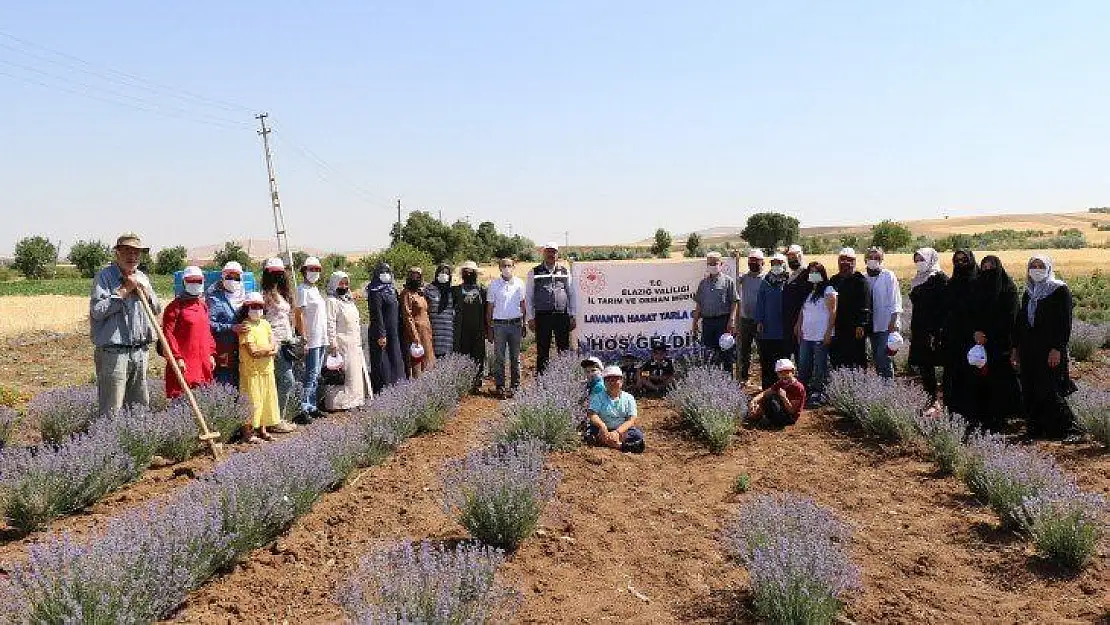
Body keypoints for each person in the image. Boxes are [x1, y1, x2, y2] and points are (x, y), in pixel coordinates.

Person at [90, 232, 163, 415]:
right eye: (127, 251)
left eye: (136, 253)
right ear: (118, 254)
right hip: (114, 353)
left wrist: (145, 292)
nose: (132, 257)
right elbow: (97, 311)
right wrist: (124, 291)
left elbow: (156, 308)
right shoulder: (105, 277)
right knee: (111, 408)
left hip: (140, 351)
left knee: (139, 407)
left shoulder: (143, 277)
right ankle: (109, 442)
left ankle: (134, 442)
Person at [1013, 255, 1080, 442]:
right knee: (1030, 388)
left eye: (1040, 265)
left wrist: (1057, 348)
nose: (1036, 269)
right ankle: (1036, 429)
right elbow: (1021, 322)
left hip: (1050, 349)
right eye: (1033, 266)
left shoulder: (1059, 290)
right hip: (1029, 350)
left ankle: (1068, 430)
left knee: (1050, 389)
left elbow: (1064, 323)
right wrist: (1015, 348)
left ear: (1049, 267)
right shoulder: (1029, 291)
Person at [968, 255, 1022, 431]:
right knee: (982, 380)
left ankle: (1002, 420)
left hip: (1002, 344)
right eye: (984, 267)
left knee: (1001, 382)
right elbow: (972, 314)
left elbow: (1011, 319)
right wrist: (976, 332)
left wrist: (994, 337)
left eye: (991, 267)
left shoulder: (1008, 289)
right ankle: (983, 418)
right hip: (981, 343)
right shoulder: (977, 288)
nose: (987, 270)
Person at [161, 265, 215, 400]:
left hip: (202, 360)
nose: (195, 284)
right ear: (184, 283)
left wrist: (211, 353)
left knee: (202, 396)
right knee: (182, 398)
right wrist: (176, 357)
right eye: (191, 281)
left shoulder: (202, 305)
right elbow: (168, 334)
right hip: (184, 362)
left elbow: (207, 332)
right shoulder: (174, 307)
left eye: (198, 281)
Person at [526, 242, 577, 375]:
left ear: (557, 254)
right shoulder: (534, 272)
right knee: (542, 350)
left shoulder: (565, 271)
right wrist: (530, 318)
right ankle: (542, 380)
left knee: (563, 349)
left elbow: (571, 293)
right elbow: (529, 296)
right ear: (544, 253)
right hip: (543, 316)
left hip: (562, 315)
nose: (551, 254)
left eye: (553, 252)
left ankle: (565, 378)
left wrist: (573, 315)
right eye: (548, 251)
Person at [237, 291, 280, 443]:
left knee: (266, 399)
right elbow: (253, 351)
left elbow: (274, 344)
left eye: (259, 306)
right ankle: (248, 434)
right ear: (246, 309)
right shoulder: (246, 326)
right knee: (252, 401)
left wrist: (269, 350)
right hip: (252, 371)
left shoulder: (265, 324)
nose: (256, 309)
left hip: (267, 369)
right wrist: (269, 350)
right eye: (253, 307)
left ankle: (263, 430)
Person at [907, 248, 948, 405]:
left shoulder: (940, 278)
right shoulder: (917, 279)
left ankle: (946, 400)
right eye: (916, 260)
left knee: (942, 364)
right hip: (919, 328)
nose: (919, 263)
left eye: (922, 259)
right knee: (925, 365)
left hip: (935, 331)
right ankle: (931, 399)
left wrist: (938, 330)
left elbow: (945, 307)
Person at [260, 258, 297, 432]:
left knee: (280, 381)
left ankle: (275, 418)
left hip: (286, 342)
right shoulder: (264, 295)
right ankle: (276, 420)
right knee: (287, 380)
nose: (277, 276)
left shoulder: (283, 293)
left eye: (279, 272)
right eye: (273, 273)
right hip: (274, 344)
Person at [942, 249, 979, 419]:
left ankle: (972, 414)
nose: (961, 263)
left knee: (971, 376)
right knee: (952, 375)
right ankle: (953, 413)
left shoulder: (978, 282)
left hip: (972, 338)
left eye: (964, 260)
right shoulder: (952, 283)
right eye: (957, 261)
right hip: (953, 338)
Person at [324, 271, 369, 411]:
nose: (343, 286)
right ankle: (341, 403)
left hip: (354, 342)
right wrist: (333, 343)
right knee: (344, 374)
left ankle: (355, 401)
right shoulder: (331, 301)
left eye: (346, 283)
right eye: (340, 283)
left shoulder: (348, 300)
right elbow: (330, 323)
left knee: (354, 374)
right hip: (341, 342)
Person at [795, 262, 837, 407]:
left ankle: (819, 393)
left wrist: (828, 333)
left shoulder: (828, 290)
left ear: (822, 274)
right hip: (807, 334)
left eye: (816, 272)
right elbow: (802, 311)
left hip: (820, 335)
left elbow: (833, 313)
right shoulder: (808, 291)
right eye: (811, 272)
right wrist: (798, 325)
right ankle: (802, 391)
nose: (813, 275)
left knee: (820, 365)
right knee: (803, 364)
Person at [692, 252, 739, 372]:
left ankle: (729, 383)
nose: (713, 266)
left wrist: (732, 320)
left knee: (726, 354)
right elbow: (699, 305)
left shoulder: (728, 281)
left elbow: (734, 301)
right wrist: (695, 323)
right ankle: (712, 382)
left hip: (723, 322)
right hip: (707, 323)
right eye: (710, 264)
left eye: (715, 263)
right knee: (709, 355)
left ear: (721, 264)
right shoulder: (703, 283)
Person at [487, 258, 528, 398]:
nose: (506, 268)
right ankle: (500, 386)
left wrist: (524, 324)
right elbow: (490, 308)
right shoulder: (493, 285)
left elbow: (523, 305)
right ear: (499, 268)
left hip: (516, 324)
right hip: (499, 325)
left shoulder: (520, 283)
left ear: (513, 267)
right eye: (504, 266)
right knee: (499, 357)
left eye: (509, 265)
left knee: (515, 358)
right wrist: (490, 328)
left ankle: (515, 387)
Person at [295, 256, 328, 421]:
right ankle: (304, 407)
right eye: (311, 269)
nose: (314, 272)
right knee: (310, 373)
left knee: (316, 373)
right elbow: (299, 314)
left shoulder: (315, 290)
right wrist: (304, 337)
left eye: (317, 270)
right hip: (311, 338)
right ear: (304, 271)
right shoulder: (302, 290)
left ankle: (313, 405)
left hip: (321, 337)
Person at [585, 365, 645, 453]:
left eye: (615, 380)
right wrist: (602, 426)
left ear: (621, 381)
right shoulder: (598, 397)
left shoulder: (629, 398)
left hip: (621, 430)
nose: (611, 383)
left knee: (637, 435)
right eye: (608, 380)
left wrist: (617, 432)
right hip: (603, 429)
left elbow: (631, 420)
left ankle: (606, 442)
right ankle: (619, 445)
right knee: (590, 433)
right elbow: (592, 414)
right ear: (604, 382)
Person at [863, 247, 903, 378]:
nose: (873, 260)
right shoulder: (864, 277)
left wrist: (894, 322)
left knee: (884, 357)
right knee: (876, 357)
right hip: (871, 325)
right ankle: (882, 385)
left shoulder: (888, 276)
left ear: (882, 260)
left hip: (886, 324)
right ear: (865, 259)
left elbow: (895, 300)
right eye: (871, 257)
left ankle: (888, 386)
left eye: (877, 258)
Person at [828, 248, 871, 369]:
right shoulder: (834, 280)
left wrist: (861, 324)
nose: (845, 262)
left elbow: (865, 305)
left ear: (854, 262)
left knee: (856, 358)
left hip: (855, 327)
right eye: (842, 259)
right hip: (837, 326)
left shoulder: (861, 281)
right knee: (837, 358)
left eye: (849, 260)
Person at [366, 262, 405, 393]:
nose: (385, 275)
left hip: (393, 331)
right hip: (381, 333)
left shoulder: (391, 290)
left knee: (395, 358)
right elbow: (376, 315)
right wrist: (381, 334)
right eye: (382, 272)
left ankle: (397, 387)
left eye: (387, 272)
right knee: (383, 361)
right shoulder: (374, 292)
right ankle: (384, 389)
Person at [208, 261, 246, 388]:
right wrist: (231, 327)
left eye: (236, 277)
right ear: (223, 277)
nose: (232, 280)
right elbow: (209, 324)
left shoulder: (246, 297)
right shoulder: (215, 298)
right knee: (225, 383)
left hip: (244, 349)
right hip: (224, 348)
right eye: (229, 277)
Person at [754, 253, 789, 389]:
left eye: (779, 263)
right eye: (773, 263)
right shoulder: (766, 281)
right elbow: (760, 303)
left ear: (784, 265)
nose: (776, 266)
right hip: (767, 328)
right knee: (767, 360)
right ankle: (767, 390)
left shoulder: (789, 281)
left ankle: (783, 388)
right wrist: (759, 321)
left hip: (783, 329)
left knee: (782, 361)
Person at [453, 261, 487, 393]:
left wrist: (488, 329)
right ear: (462, 273)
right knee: (463, 355)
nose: (468, 273)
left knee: (478, 356)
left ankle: (477, 382)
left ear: (475, 274)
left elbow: (487, 309)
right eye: (465, 271)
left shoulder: (482, 289)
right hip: (462, 330)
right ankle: (464, 382)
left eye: (471, 271)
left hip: (478, 329)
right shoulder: (456, 290)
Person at [747, 358, 806, 427]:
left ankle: (767, 420)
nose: (783, 375)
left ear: (792, 371)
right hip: (782, 410)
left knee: (769, 399)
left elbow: (792, 411)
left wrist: (784, 398)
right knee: (763, 399)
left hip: (790, 418)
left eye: (786, 372)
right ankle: (756, 415)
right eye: (780, 372)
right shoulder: (781, 382)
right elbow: (766, 392)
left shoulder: (798, 387)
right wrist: (754, 400)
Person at [400, 266, 436, 378]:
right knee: (417, 363)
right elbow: (408, 316)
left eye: (418, 276)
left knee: (428, 361)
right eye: (413, 276)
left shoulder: (420, 293)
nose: (415, 278)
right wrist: (415, 336)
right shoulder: (406, 293)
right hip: (416, 333)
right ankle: (417, 389)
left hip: (426, 332)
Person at [737, 249, 765, 383]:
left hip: (761, 321)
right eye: (751, 261)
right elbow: (730, 276)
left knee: (762, 351)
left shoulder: (766, 279)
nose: (753, 263)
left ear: (762, 262)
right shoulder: (743, 278)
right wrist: (733, 260)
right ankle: (743, 376)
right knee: (744, 350)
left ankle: (764, 377)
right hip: (745, 319)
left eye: (756, 261)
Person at [782, 244, 809, 361]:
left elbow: (806, 301)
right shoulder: (790, 275)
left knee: (801, 356)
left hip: (800, 322)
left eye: (794, 257)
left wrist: (799, 322)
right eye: (789, 257)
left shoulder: (806, 275)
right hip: (788, 322)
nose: (791, 260)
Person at [425, 263, 456, 360]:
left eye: (446, 273)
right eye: (441, 272)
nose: (443, 275)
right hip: (434, 332)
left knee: (446, 361)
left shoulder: (452, 291)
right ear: (436, 274)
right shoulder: (429, 289)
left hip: (448, 333)